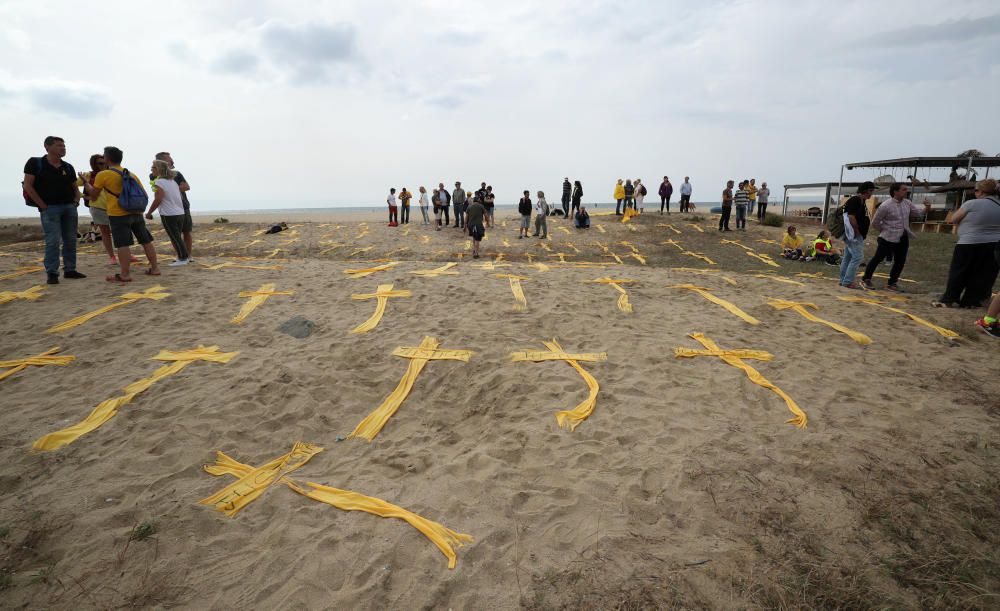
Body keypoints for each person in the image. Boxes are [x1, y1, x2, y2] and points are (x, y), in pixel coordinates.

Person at [80, 146, 159, 282]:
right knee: (146, 241)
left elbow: (93, 196)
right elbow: (144, 194)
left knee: (123, 244)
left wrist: (87, 183)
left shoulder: (103, 175)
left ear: (107, 159)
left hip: (118, 214)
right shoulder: (131, 174)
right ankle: (155, 268)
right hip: (136, 212)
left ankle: (125, 274)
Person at [22, 136, 86, 284]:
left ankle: (70, 270)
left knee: (70, 240)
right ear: (47, 147)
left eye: (64, 145)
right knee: (53, 241)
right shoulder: (35, 163)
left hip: (69, 207)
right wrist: (43, 205)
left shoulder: (68, 166)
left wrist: (76, 201)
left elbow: (74, 187)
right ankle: (52, 273)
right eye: (59, 145)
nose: (63, 148)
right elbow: (28, 186)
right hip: (50, 209)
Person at [933, 179, 1000, 308]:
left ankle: (950, 299)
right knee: (982, 274)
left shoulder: (971, 204)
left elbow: (953, 219)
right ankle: (972, 301)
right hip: (993, 244)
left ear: (980, 192)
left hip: (968, 243)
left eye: (975, 190)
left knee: (959, 271)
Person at [860, 182, 931, 291]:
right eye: (903, 189)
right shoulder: (886, 205)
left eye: (906, 189)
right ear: (895, 191)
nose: (906, 191)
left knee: (900, 261)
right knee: (878, 258)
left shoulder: (907, 203)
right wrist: (885, 230)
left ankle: (892, 283)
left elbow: (918, 213)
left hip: (903, 237)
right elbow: (875, 222)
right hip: (887, 237)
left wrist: (927, 207)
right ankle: (866, 279)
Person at [145, 159, 189, 265]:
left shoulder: (159, 182)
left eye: (153, 167)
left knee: (175, 237)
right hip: (180, 212)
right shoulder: (172, 181)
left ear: (159, 169)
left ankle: (183, 258)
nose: (151, 169)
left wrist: (149, 212)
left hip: (169, 214)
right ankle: (182, 257)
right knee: (177, 237)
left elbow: (158, 199)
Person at [153, 152, 194, 261]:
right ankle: (181, 256)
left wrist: (171, 190)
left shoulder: (176, 174)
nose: (172, 161)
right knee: (174, 235)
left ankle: (189, 256)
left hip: (183, 206)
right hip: (168, 209)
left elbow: (186, 186)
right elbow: (157, 191)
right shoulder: (154, 175)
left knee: (186, 231)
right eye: (169, 159)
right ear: (163, 162)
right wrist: (173, 188)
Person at [82, 153, 119, 265]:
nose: (103, 165)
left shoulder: (112, 173)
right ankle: (112, 257)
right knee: (105, 233)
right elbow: (73, 183)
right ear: (94, 164)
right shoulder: (89, 175)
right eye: (99, 163)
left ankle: (125, 253)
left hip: (114, 207)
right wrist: (80, 196)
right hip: (98, 208)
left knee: (119, 231)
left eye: (104, 162)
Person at [839, 181, 876, 289]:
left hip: (852, 234)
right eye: (870, 191)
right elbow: (851, 217)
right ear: (865, 190)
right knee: (857, 257)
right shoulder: (856, 200)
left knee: (847, 257)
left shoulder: (861, 200)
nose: (871, 193)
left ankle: (843, 281)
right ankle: (847, 281)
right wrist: (857, 232)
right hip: (853, 234)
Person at [465, 193, 486, 259]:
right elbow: (486, 215)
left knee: (474, 237)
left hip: (470, 225)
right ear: (478, 200)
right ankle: (476, 253)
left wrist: (465, 226)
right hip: (478, 225)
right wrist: (488, 222)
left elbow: (466, 217)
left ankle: (474, 250)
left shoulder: (469, 207)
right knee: (477, 240)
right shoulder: (481, 206)